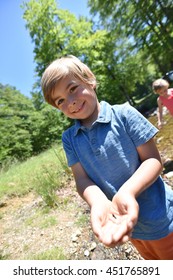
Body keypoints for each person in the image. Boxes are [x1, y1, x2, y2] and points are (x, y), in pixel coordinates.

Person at [41, 55, 173, 260]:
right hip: (125, 224)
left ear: (90, 80)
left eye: (72, 88)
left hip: (161, 219)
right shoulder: (69, 139)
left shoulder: (124, 114)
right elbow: (82, 179)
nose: (71, 102)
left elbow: (154, 160)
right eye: (60, 101)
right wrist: (99, 202)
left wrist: (127, 192)